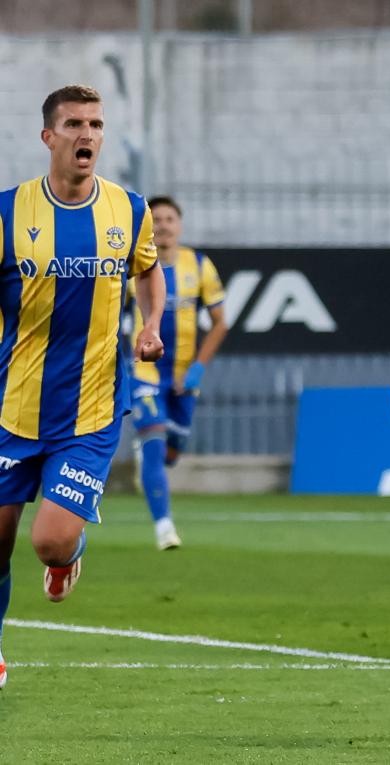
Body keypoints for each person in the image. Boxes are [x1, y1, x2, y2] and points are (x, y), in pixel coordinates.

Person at [0, 85, 166, 690]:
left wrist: (151, 324)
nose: (87, 134)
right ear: (49, 137)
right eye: (74, 124)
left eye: (95, 124)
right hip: (12, 406)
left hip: (90, 409)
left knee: (48, 541)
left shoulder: (129, 209)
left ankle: (67, 557)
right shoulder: (8, 212)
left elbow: (149, 270)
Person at [128, 196, 228, 550]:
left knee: (173, 451)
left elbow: (220, 323)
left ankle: (152, 459)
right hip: (145, 374)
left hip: (185, 377)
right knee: (154, 444)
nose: (163, 225)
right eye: (156, 219)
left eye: (169, 219)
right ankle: (164, 527)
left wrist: (198, 367)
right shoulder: (132, 265)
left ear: (179, 226)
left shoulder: (198, 265)